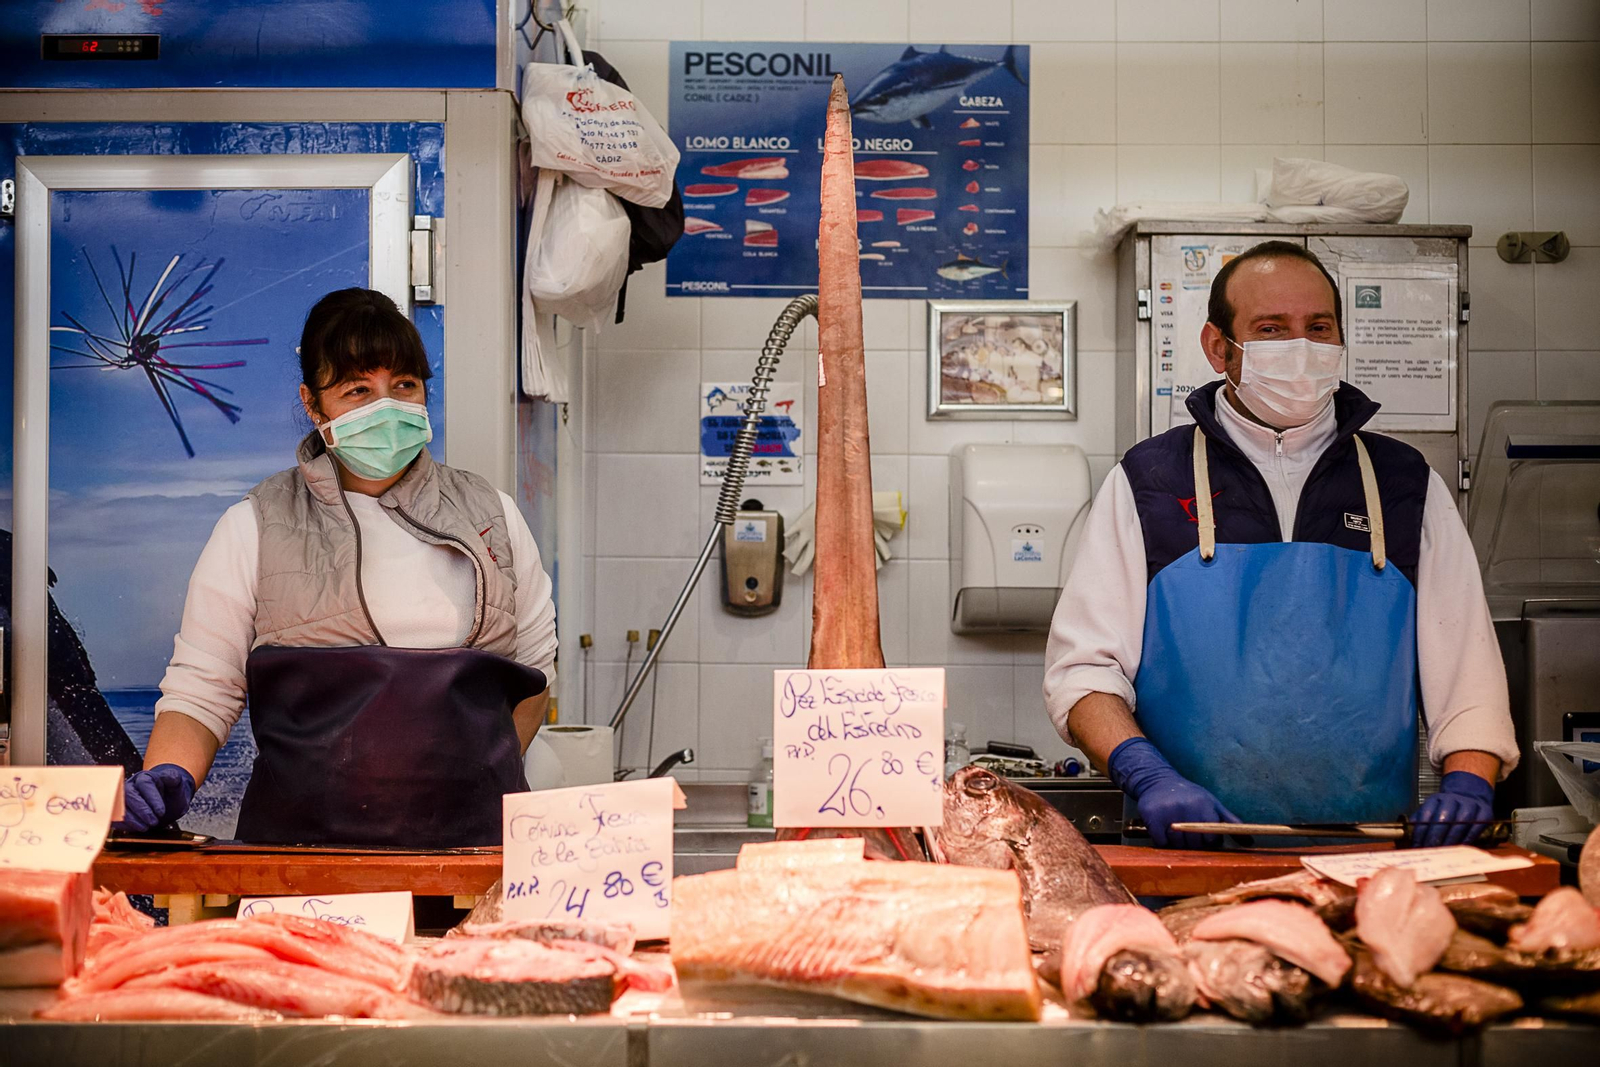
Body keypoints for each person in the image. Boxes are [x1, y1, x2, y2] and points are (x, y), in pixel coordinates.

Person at [1043, 241, 1517, 850]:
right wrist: (1146, 773)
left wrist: (1470, 783)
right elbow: (1084, 670)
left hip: (1369, 855)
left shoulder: (1405, 483)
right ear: (1219, 347)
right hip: (1183, 845)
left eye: (1318, 328)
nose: (1301, 348)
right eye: (1272, 330)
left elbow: (1468, 674)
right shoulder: (1148, 482)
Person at [114, 289, 557, 846]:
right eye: (357, 391)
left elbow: (535, 677)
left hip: (471, 856)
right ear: (312, 403)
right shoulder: (253, 525)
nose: (387, 407)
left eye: (403, 386)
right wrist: (169, 776)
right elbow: (202, 690)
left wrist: (465, 783)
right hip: (299, 861)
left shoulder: (493, 517)